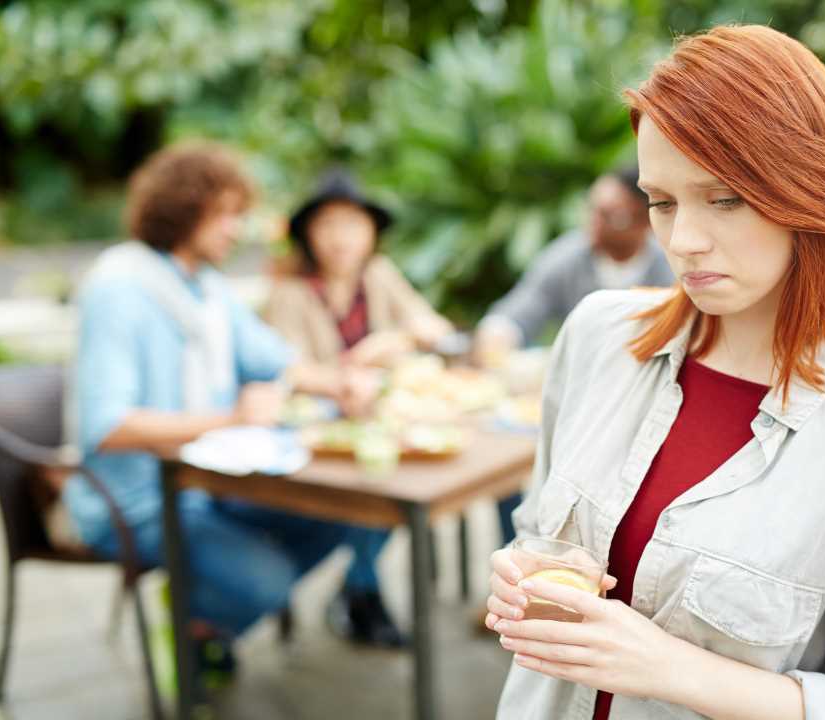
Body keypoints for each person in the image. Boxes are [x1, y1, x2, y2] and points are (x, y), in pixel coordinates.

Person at [485, 25, 825, 720]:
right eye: (661, 202)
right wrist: (519, 569)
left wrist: (668, 668)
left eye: (724, 199)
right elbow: (536, 528)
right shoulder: (596, 336)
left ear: (810, 190)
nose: (683, 241)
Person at [61, 144, 405, 688]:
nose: (236, 229)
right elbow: (107, 426)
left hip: (210, 481)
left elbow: (275, 360)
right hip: (136, 501)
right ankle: (197, 615)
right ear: (183, 208)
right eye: (225, 214)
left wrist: (339, 383)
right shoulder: (118, 290)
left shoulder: (207, 287)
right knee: (267, 582)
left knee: (348, 512)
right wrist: (230, 419)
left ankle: (204, 617)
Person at [475, 167, 675, 546]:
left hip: (645, 413)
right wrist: (498, 334)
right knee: (509, 466)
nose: (594, 223)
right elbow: (521, 307)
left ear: (644, 222)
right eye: (593, 210)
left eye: (611, 215)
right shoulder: (569, 256)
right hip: (569, 406)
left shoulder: (669, 269)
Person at [264, 170, 454, 369]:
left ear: (371, 230)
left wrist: (397, 339)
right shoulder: (289, 294)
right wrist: (360, 358)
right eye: (326, 224)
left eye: (352, 223)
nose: (339, 238)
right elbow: (289, 368)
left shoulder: (378, 273)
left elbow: (433, 326)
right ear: (308, 235)